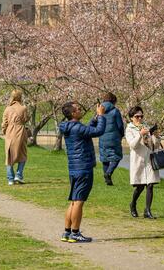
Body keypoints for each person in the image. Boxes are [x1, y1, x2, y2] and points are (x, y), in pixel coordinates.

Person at [58, 101, 106, 243]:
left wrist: (94, 119)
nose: (80, 110)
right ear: (73, 113)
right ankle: (75, 233)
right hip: (83, 168)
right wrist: (101, 116)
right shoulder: (77, 128)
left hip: (74, 168)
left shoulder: (69, 127)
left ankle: (67, 232)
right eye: (78, 109)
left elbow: (87, 131)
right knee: (79, 202)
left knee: (73, 201)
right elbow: (98, 132)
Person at [125, 105, 161, 219]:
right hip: (138, 160)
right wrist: (140, 134)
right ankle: (133, 204)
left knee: (150, 185)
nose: (140, 118)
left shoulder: (146, 126)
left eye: (141, 116)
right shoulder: (129, 129)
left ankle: (147, 211)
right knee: (140, 186)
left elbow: (154, 145)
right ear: (131, 118)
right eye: (137, 116)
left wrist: (156, 136)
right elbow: (132, 145)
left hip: (149, 159)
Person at [1, 89, 30, 185]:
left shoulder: (7, 109)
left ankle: (10, 179)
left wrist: (4, 131)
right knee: (22, 154)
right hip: (21, 132)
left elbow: (4, 123)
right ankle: (18, 175)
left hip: (10, 132)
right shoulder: (23, 108)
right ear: (20, 97)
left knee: (9, 155)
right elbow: (26, 119)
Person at [98, 92, 124, 186]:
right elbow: (120, 125)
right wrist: (122, 134)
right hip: (114, 138)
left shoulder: (99, 110)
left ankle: (107, 180)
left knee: (105, 158)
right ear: (114, 101)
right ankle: (108, 173)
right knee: (117, 157)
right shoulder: (115, 111)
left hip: (102, 136)